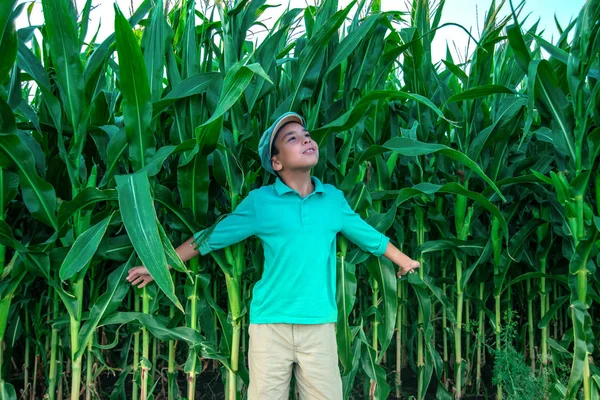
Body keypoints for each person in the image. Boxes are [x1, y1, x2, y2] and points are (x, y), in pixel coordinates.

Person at [126, 111, 420, 399]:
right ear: (276, 162)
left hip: (319, 325)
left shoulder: (333, 199)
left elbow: (369, 236)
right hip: (270, 326)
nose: (306, 140)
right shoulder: (261, 203)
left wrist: (404, 261)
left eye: (307, 135)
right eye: (293, 138)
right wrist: (159, 265)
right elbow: (210, 238)